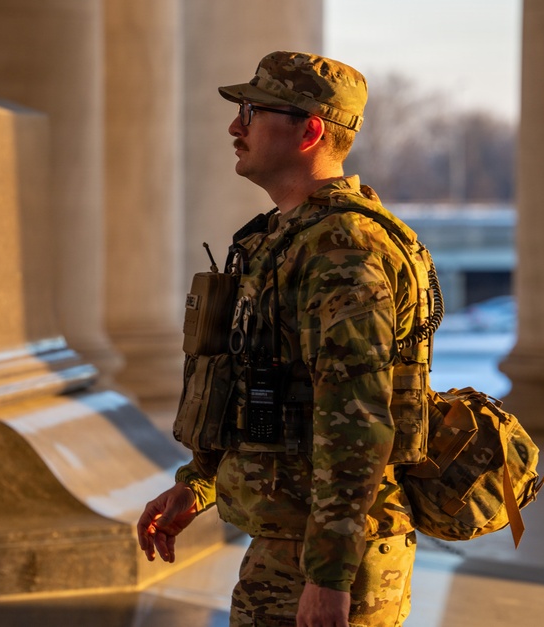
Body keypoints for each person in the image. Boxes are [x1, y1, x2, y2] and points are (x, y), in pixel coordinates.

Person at [138, 51, 434, 627]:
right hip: (291, 543)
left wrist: (329, 579)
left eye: (251, 110)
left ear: (311, 130)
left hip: (328, 558)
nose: (234, 126)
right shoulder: (289, 238)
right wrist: (198, 484)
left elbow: (357, 423)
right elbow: (267, 391)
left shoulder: (342, 250)